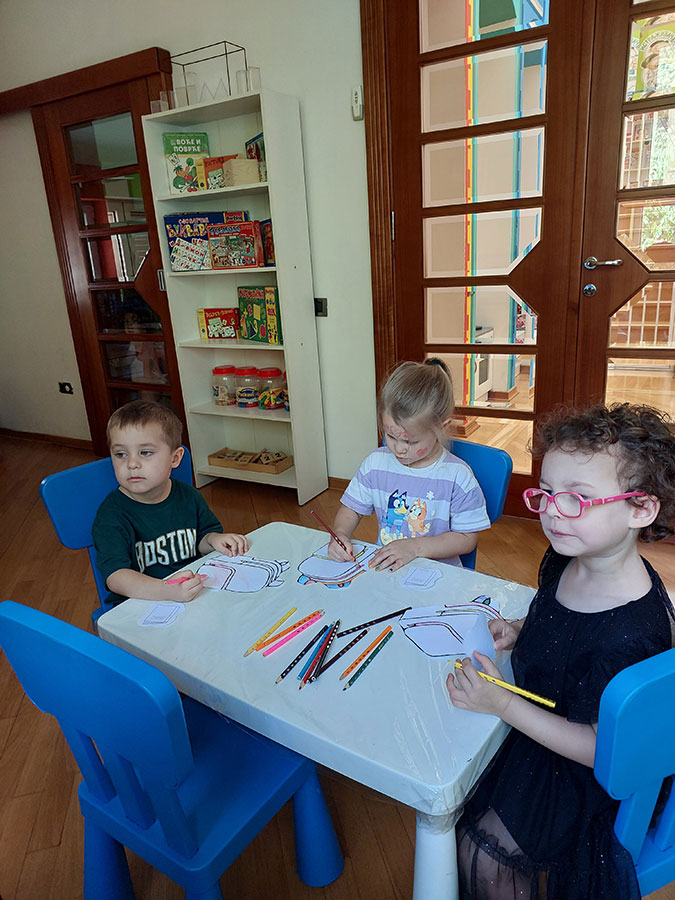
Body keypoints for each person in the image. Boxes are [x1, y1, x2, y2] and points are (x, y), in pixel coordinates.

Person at [447, 403, 675, 900]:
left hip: (580, 766)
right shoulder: (567, 554)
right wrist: (520, 627)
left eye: (577, 498)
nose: (552, 511)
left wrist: (504, 704)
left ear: (641, 509)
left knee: (484, 855)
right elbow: (558, 617)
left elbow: (600, 748)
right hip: (543, 710)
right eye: (547, 492)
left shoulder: (630, 634)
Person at [328, 358, 490, 571]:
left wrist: (415, 548)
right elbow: (351, 510)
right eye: (390, 436)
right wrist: (340, 534)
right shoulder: (375, 464)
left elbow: (467, 539)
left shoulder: (457, 476)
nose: (399, 449)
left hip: (438, 576)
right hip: (387, 571)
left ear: (442, 428)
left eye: (410, 442)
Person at [92, 400, 248, 606]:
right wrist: (165, 590)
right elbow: (116, 577)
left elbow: (200, 538)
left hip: (191, 594)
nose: (132, 464)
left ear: (175, 458)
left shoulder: (188, 496)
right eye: (120, 454)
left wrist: (213, 539)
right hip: (140, 603)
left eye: (145, 452)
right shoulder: (111, 515)